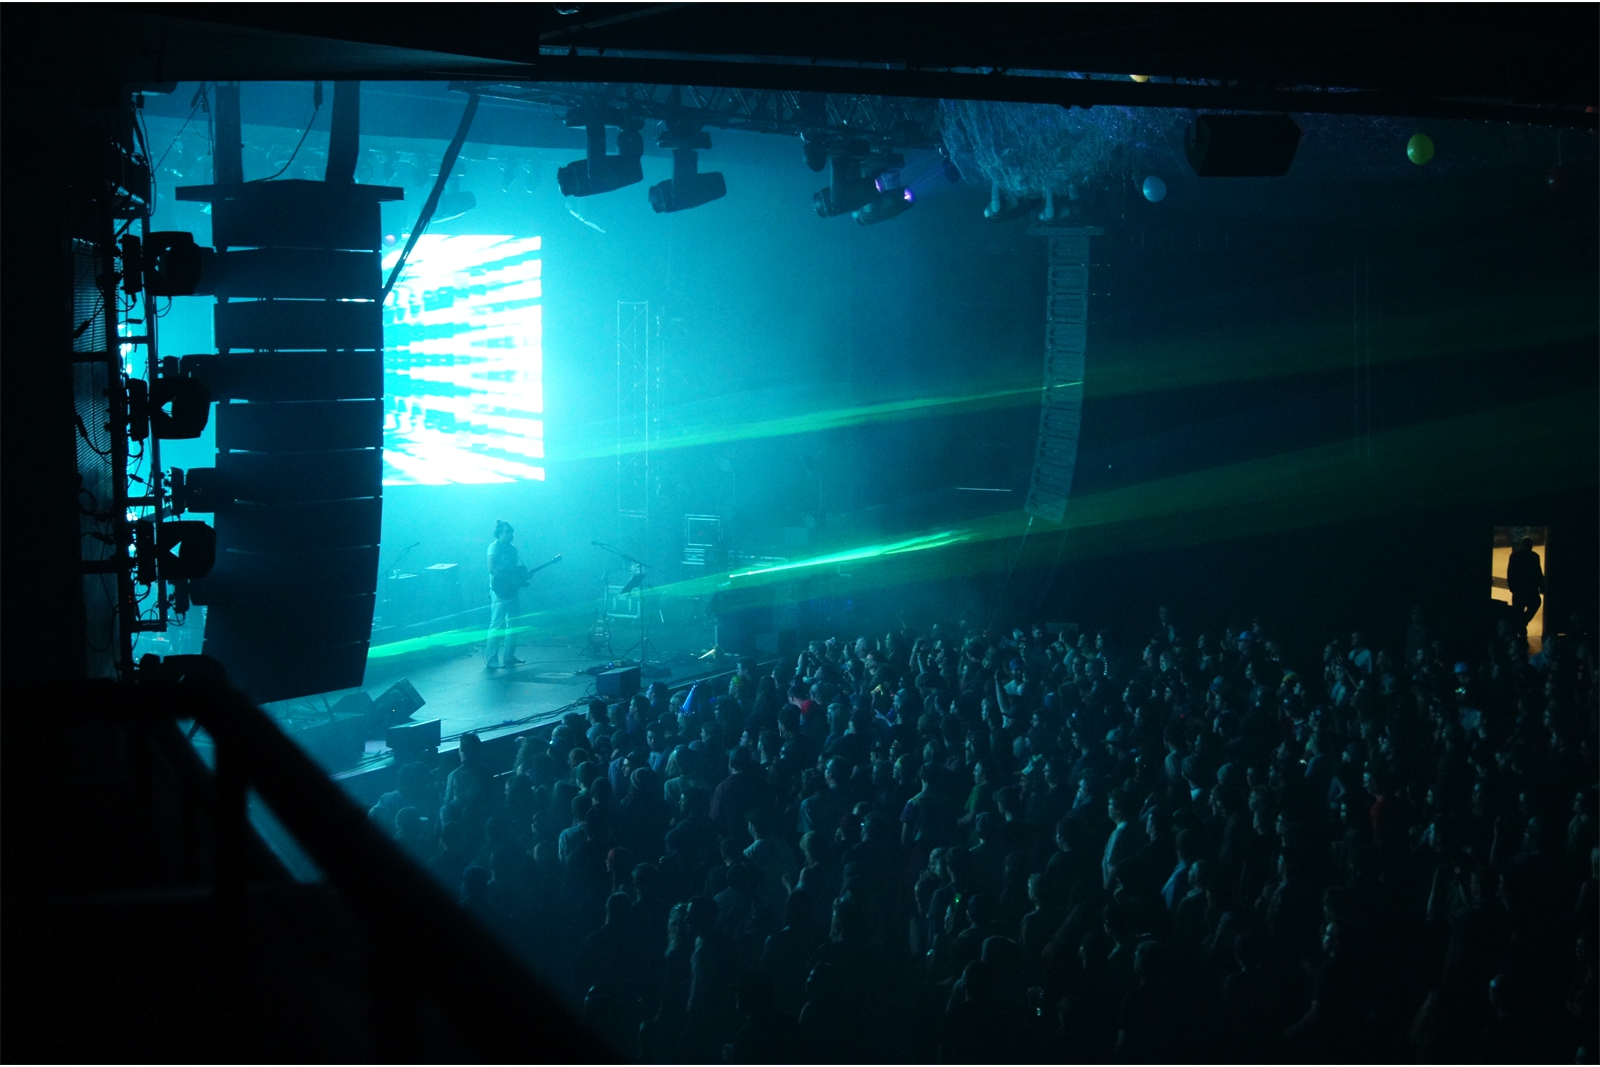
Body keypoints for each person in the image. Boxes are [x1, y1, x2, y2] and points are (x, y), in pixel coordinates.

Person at [486, 519, 525, 669]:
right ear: (499, 533)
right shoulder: (494, 547)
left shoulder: (513, 549)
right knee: (497, 623)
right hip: (499, 590)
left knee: (513, 623)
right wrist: (510, 579)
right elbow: (491, 568)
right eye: (508, 532)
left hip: (511, 590)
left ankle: (509, 656)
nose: (511, 534)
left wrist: (521, 578)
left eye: (511, 531)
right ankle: (491, 658)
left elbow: (514, 570)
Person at [1507, 535, 1545, 633]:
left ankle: (1520, 626)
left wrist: (1512, 587)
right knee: (1534, 604)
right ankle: (1522, 624)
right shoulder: (1535, 556)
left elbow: (1510, 572)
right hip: (1530, 589)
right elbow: (1538, 572)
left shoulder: (1515, 556)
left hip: (1519, 589)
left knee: (1518, 611)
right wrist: (1541, 585)